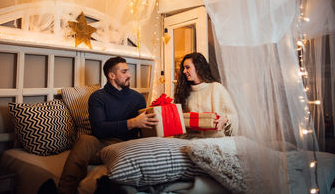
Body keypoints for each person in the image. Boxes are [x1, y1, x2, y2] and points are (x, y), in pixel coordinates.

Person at [57, 56, 158, 194]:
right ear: (111, 75)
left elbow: (143, 129)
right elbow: (99, 129)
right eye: (124, 72)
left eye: (128, 71)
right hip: (104, 144)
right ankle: (64, 191)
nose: (129, 75)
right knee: (85, 140)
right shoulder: (98, 97)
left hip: (128, 145)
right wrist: (132, 122)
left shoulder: (138, 98)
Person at [174, 52, 238, 138]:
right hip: (189, 139)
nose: (184, 71)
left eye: (187, 67)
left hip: (214, 139)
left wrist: (225, 119)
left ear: (198, 68)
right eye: (183, 68)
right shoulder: (185, 92)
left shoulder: (216, 88)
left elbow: (234, 117)